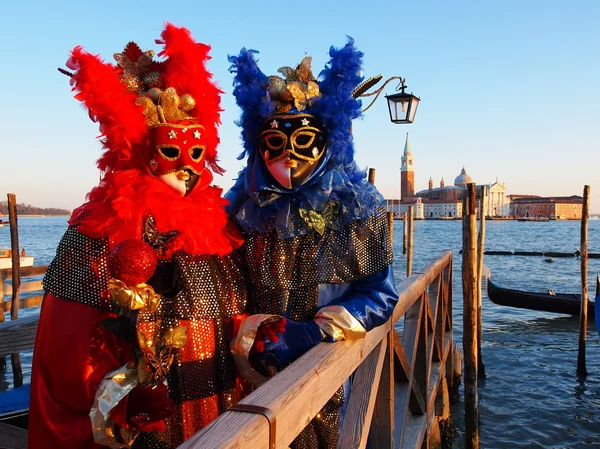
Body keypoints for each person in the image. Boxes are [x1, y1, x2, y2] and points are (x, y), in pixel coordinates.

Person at [28, 24, 247, 449]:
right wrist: (121, 400)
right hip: (144, 427)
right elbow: (67, 346)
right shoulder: (100, 228)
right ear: (135, 144)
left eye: (197, 152)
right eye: (171, 150)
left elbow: (230, 312)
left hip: (217, 413)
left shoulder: (215, 229)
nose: (188, 166)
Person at [226, 39, 399, 448]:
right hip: (249, 370)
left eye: (303, 140)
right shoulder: (246, 207)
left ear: (327, 141)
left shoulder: (359, 206)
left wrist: (315, 333)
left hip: (328, 371)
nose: (288, 154)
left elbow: (379, 294)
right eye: (274, 141)